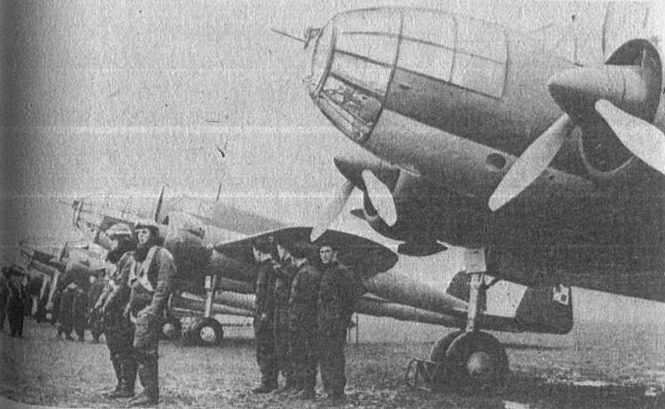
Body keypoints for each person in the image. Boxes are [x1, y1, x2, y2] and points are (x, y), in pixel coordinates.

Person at [125, 220, 176, 407]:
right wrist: (129, 309)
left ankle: (150, 394)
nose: (141, 236)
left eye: (145, 232)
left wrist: (152, 312)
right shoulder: (139, 257)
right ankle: (147, 391)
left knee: (145, 351)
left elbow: (163, 286)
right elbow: (134, 286)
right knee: (139, 351)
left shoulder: (162, 256)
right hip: (137, 314)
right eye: (139, 233)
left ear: (154, 235)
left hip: (149, 314)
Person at [317, 242, 365, 406]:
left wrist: (343, 318)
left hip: (335, 324)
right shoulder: (327, 272)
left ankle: (337, 394)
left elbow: (353, 295)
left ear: (335, 253)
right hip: (324, 322)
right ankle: (329, 391)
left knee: (335, 358)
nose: (323, 255)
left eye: (327, 251)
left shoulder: (341, 271)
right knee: (325, 357)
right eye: (321, 252)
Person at [96, 223, 137, 399]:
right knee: (115, 351)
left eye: (114, 239)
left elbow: (120, 287)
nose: (111, 243)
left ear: (122, 240)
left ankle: (126, 387)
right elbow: (111, 285)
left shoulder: (129, 259)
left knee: (123, 350)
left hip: (122, 312)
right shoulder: (120, 260)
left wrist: (104, 305)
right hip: (115, 312)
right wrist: (100, 304)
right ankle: (121, 384)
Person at [287, 243, 322, 400]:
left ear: (295, 258)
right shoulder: (308, 271)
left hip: (304, 321)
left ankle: (307, 390)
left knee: (305, 355)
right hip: (306, 320)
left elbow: (305, 300)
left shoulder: (305, 274)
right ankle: (304, 388)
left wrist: (298, 319)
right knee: (305, 354)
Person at [250, 238, 278, 394]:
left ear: (258, 251)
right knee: (263, 348)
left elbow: (270, 294)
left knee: (266, 348)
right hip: (261, 314)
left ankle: (268, 382)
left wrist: (265, 313)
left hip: (265, 316)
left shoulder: (269, 269)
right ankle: (268, 380)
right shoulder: (265, 268)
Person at [272, 239, 299, 394]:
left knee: (288, 345)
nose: (279, 251)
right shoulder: (282, 265)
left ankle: (293, 381)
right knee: (281, 345)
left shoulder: (290, 265)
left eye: (281, 248)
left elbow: (290, 279)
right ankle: (288, 380)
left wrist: (277, 270)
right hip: (280, 308)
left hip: (286, 309)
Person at [57, 260, 91, 341]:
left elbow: (62, 284)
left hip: (71, 296)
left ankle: (65, 333)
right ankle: (77, 335)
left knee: (68, 315)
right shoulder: (84, 273)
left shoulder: (72, 270)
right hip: (77, 297)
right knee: (76, 316)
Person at [6, 268, 27, 338]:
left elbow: (11, 292)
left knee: (13, 317)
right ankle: (18, 333)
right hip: (18, 302)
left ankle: (13, 332)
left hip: (13, 302)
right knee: (18, 318)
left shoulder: (11, 282)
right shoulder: (19, 283)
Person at [87, 269, 106, 343]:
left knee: (94, 320)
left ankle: (95, 338)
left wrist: (92, 306)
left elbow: (94, 295)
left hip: (95, 304)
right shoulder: (104, 281)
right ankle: (96, 337)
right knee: (98, 320)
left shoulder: (97, 282)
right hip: (100, 304)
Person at [0, 267, 8, 333]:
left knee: (3, 313)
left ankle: (1, 326)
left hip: (4, 298)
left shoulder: (5, 279)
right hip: (2, 297)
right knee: (2, 313)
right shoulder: (2, 279)